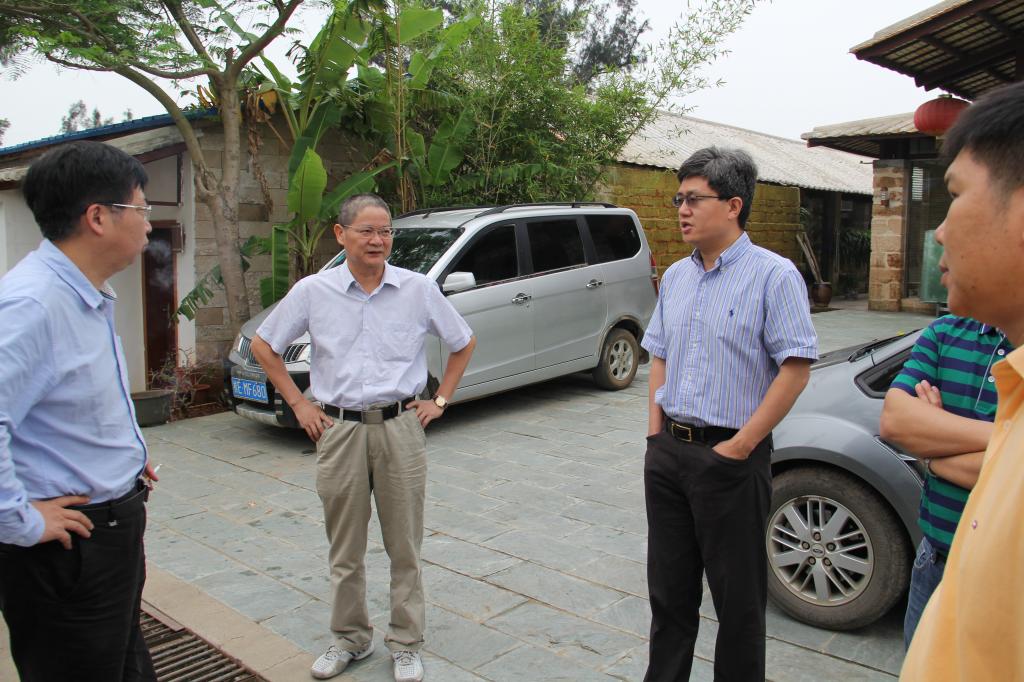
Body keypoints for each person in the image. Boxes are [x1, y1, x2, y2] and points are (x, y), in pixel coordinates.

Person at [250, 193, 476, 682]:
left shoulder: (417, 289)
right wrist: (299, 403)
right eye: (367, 231)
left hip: (401, 429)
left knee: (405, 546)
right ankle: (350, 639)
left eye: (385, 231)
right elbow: (264, 345)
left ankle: (406, 643)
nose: (378, 240)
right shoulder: (314, 291)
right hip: (339, 431)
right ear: (341, 234)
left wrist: (440, 400)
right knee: (345, 548)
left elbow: (463, 341)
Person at [641, 146, 818, 681]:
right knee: (669, 595)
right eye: (679, 199)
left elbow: (795, 368)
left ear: (734, 205)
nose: (682, 210)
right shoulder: (677, 276)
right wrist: (655, 437)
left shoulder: (774, 276)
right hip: (669, 456)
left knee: (738, 604)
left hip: (731, 461)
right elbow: (659, 355)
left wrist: (740, 447)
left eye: (694, 199)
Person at [0, 141, 158, 681]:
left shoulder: (84, 293)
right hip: (68, 551)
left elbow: (67, 401)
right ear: (97, 217)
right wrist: (20, 521)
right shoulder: (32, 304)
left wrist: (123, 455)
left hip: (109, 532)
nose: (148, 223)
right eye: (141, 208)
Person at [901, 81, 1024, 680]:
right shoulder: (999, 377)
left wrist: (938, 444)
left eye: (954, 195)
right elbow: (898, 420)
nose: (940, 232)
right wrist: (997, 439)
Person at [880, 315, 1011, 648]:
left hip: (1011, 577)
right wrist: (1011, 436)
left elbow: (1016, 474)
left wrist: (935, 447)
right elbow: (895, 423)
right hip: (936, 562)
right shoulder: (945, 332)